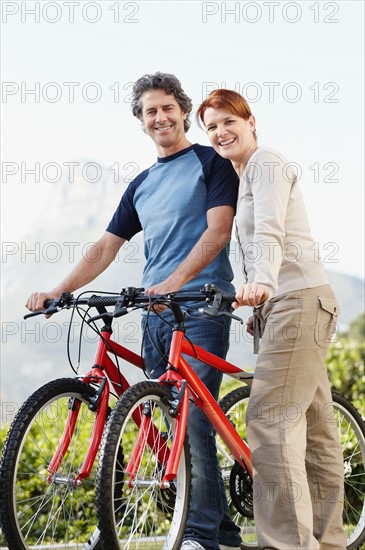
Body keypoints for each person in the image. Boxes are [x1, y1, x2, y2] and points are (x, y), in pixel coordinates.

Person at [26, 73, 242, 550]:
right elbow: (105, 247)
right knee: (160, 415)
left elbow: (218, 231)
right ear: (141, 121)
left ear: (184, 111)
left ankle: (201, 535)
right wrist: (57, 290)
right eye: (150, 111)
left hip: (200, 306)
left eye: (167, 108)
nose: (160, 117)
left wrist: (174, 282)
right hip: (154, 313)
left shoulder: (212, 162)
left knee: (195, 418)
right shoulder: (142, 184)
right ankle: (217, 526)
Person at [197, 89, 347, 550]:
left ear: (251, 121)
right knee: (316, 429)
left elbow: (270, 232)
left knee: (269, 419)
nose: (221, 132)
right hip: (296, 302)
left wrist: (261, 282)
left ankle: (286, 544)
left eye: (228, 122)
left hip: (298, 300)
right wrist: (260, 302)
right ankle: (327, 541)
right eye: (211, 127)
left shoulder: (266, 162)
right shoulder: (246, 176)